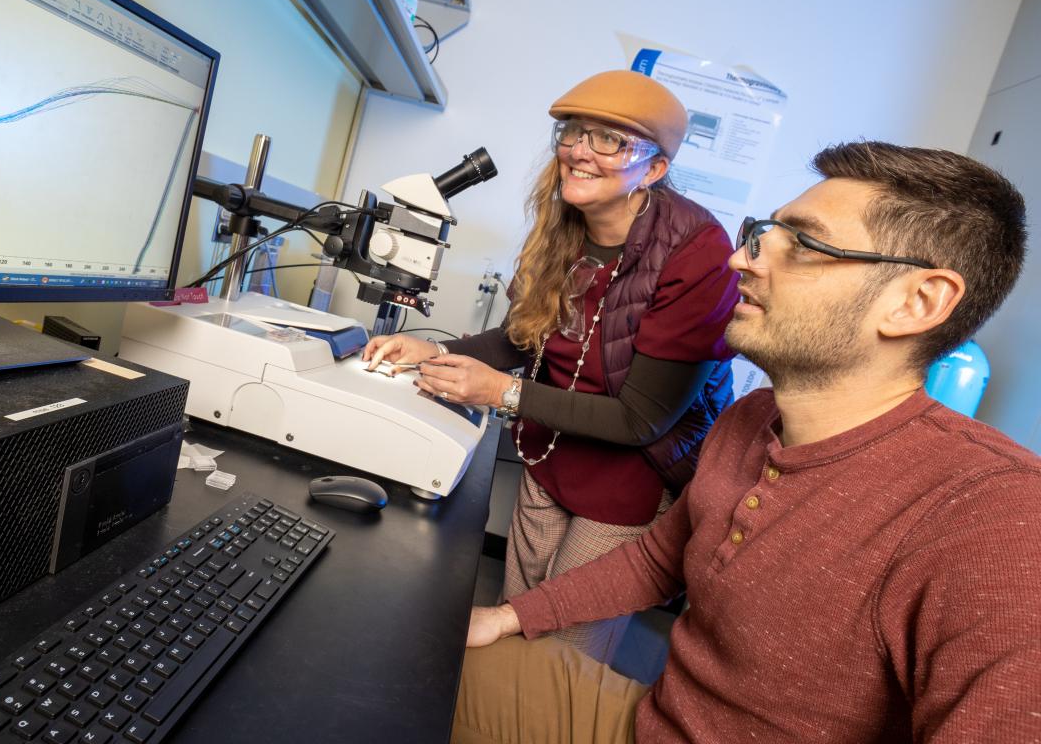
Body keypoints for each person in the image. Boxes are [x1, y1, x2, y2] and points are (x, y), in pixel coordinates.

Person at [453, 141, 1041, 744]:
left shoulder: (993, 512)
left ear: (917, 302)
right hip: (649, 721)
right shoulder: (752, 418)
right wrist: (507, 616)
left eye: (805, 244)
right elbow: (659, 557)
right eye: (764, 233)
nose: (740, 261)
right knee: (422, 660)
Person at [363, 71, 739, 660]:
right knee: (509, 624)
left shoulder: (699, 253)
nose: (581, 151)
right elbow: (524, 337)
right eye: (574, 132)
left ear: (656, 169)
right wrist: (437, 351)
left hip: (632, 478)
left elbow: (642, 420)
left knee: (560, 653)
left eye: (611, 140)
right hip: (549, 452)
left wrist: (502, 395)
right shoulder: (563, 222)